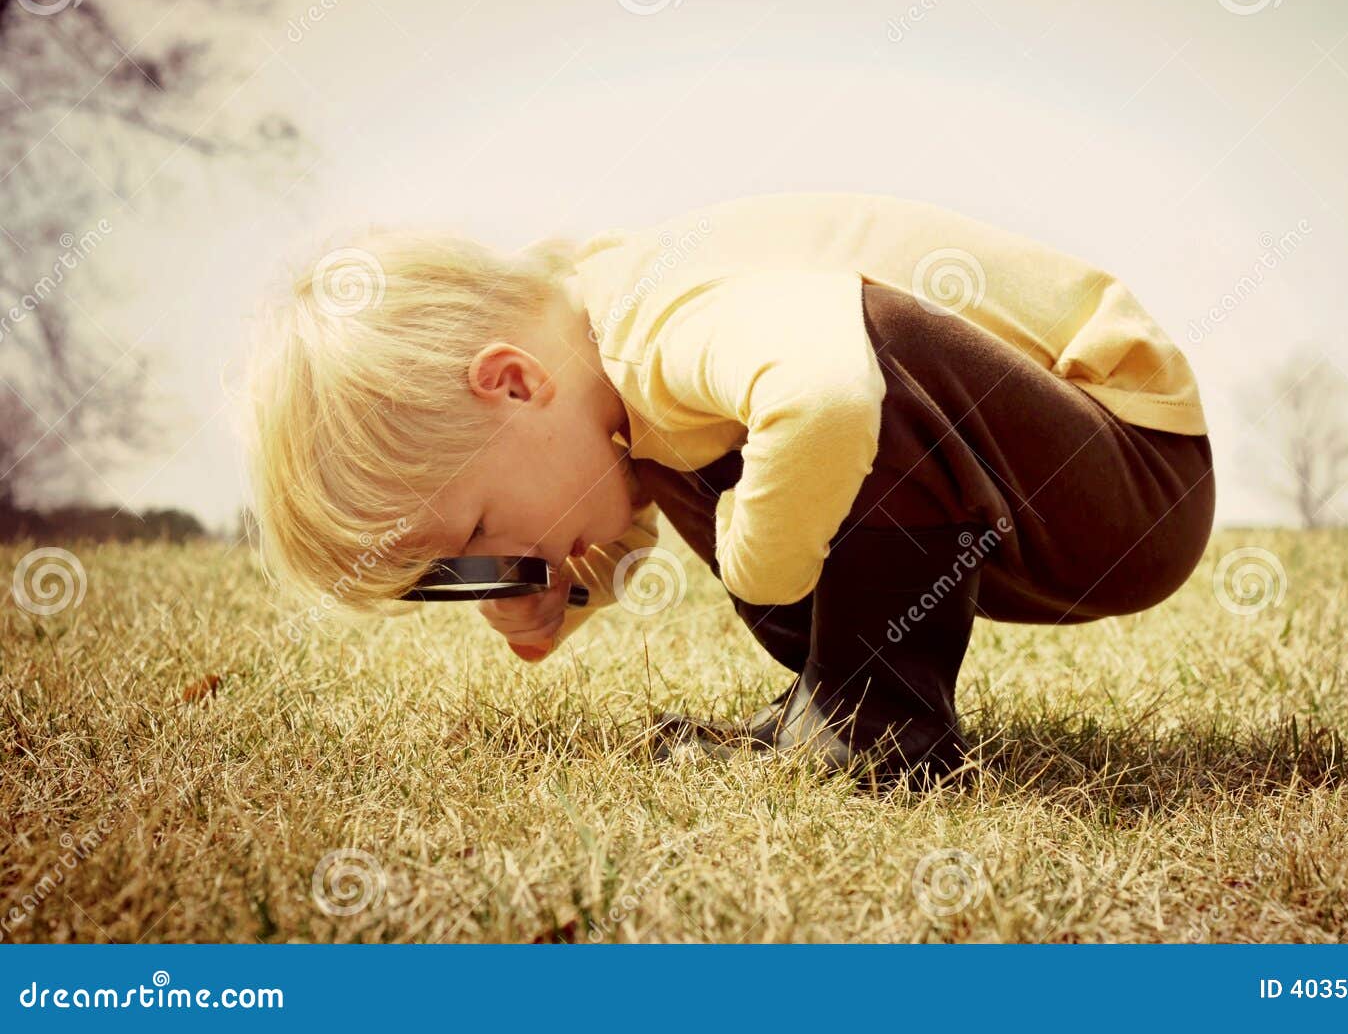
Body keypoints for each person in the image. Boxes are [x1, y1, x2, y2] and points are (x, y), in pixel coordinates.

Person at [243, 191, 1215, 789]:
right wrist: (550, 595)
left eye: (486, 532)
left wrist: (761, 569)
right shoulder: (601, 355)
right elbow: (618, 481)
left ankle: (878, 726)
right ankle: (839, 694)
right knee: (716, 454)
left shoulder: (654, 322)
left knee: (836, 378)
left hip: (1126, 472)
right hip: (1036, 483)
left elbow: (832, 397)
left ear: (510, 381)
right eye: (469, 571)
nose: (498, 567)